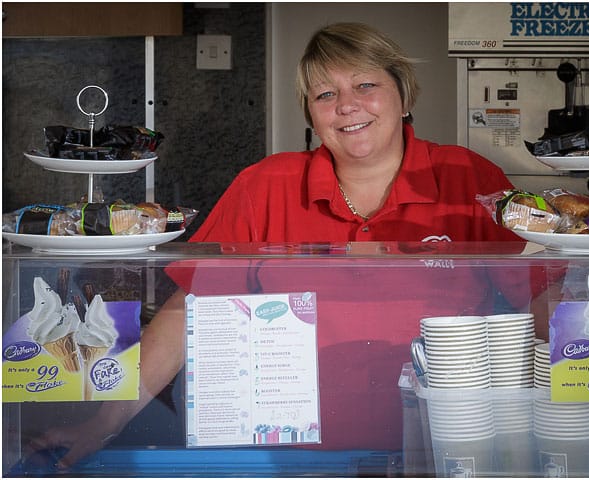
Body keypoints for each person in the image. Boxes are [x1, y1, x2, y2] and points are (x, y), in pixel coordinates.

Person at [25, 22, 555, 470]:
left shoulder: (467, 176)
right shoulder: (266, 185)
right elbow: (191, 310)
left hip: (449, 455)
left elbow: (538, 305)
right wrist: (101, 423)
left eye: (366, 85)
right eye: (326, 94)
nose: (348, 106)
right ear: (310, 111)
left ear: (404, 93)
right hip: (291, 459)